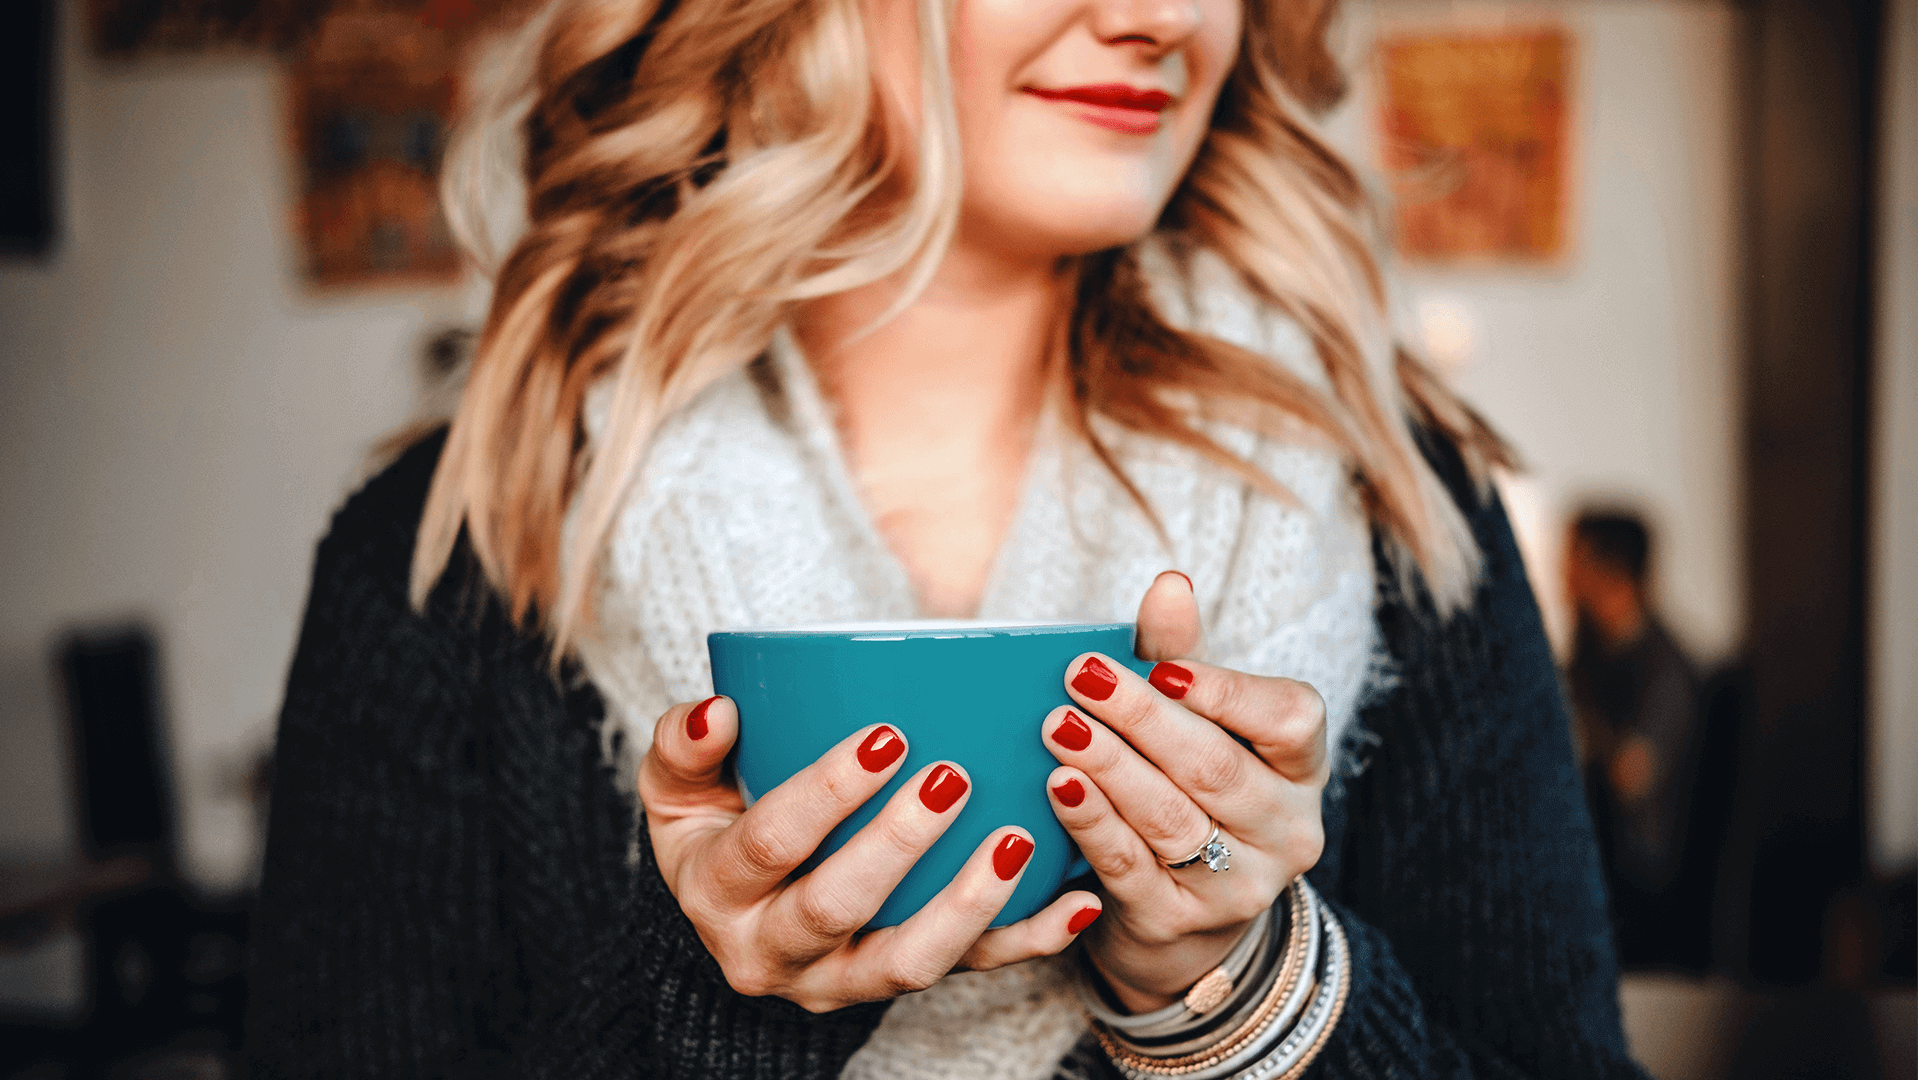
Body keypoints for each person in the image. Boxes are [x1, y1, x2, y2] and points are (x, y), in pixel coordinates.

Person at [246, 0, 1648, 1077]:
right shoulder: (451, 554)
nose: (1161, 18)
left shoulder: (1398, 505)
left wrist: (1249, 991)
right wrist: (715, 1008)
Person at [1563, 509, 1707, 971]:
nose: (1561, 571)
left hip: (1642, 879)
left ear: (1608, 568)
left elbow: (1633, 774)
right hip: (1597, 861)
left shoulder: (1665, 667)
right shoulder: (1589, 656)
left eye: (1571, 557)